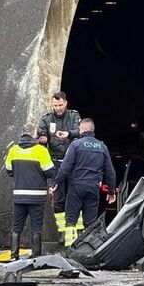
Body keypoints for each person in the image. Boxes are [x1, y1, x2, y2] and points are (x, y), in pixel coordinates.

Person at [50, 118, 116, 247]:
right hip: (93, 188)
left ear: (82, 129)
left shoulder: (76, 145)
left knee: (70, 221)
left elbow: (65, 168)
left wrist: (56, 184)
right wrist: (111, 191)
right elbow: (110, 172)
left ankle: (69, 250)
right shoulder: (102, 147)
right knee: (90, 223)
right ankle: (87, 250)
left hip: (76, 187)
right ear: (92, 130)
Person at [5, 122, 55, 259]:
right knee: (36, 227)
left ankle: (14, 255)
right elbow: (50, 172)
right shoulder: (41, 151)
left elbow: (9, 171)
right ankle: (35, 255)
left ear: (23, 133)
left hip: (19, 196)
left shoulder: (13, 150)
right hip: (37, 197)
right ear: (34, 134)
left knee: (16, 227)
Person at [37, 92, 81, 235]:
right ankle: (62, 232)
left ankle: (76, 230)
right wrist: (42, 138)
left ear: (66, 103)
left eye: (60, 105)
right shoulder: (47, 118)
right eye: (55, 106)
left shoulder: (74, 115)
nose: (58, 108)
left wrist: (68, 133)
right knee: (58, 198)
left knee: (75, 195)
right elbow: (40, 132)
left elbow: (79, 130)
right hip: (55, 162)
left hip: (72, 162)